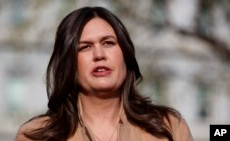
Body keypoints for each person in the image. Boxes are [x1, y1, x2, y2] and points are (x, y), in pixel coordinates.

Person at [15, 6, 193, 141]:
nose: (99, 55)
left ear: (125, 54)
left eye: (108, 43)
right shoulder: (35, 136)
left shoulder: (168, 128)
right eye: (85, 47)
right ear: (68, 63)